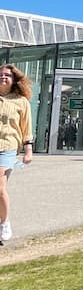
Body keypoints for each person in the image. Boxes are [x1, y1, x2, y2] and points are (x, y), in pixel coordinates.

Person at [0, 64, 35, 243]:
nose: (3, 77)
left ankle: (4, 222)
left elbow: (26, 127)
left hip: (7, 147)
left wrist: (28, 150)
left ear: (13, 80)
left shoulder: (21, 101)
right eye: (1, 75)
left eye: (7, 75)